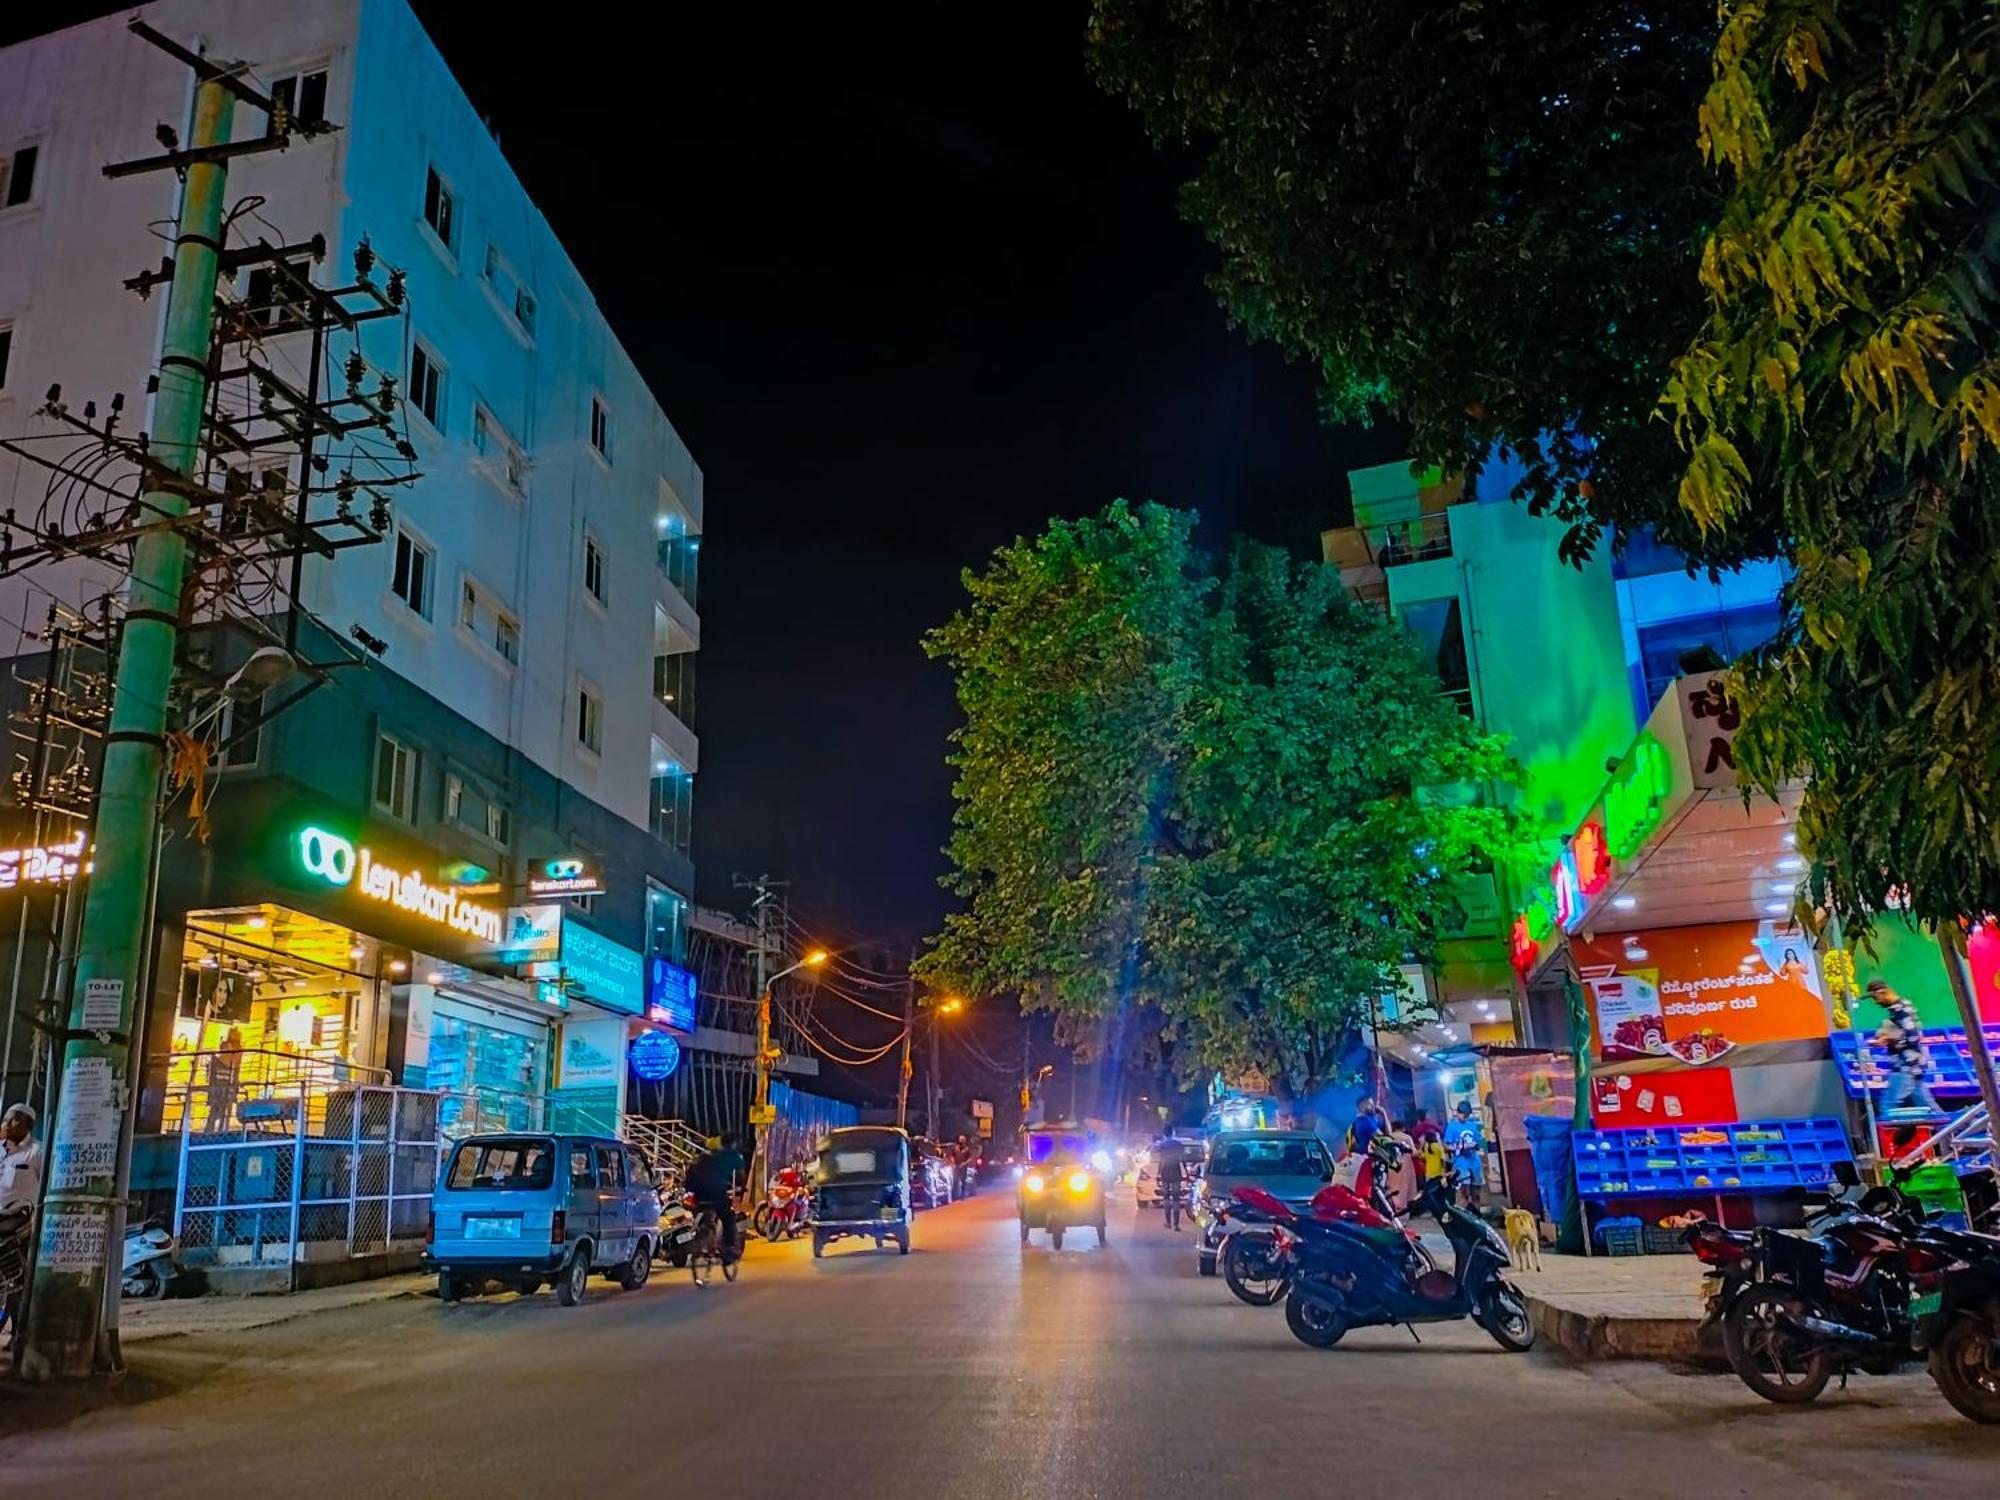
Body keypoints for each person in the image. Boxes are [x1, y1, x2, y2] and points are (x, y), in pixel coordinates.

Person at [0, 1103, 43, 1338]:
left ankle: (19, 1331)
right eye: (5, 1120)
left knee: (17, 1276)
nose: (5, 1124)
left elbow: (45, 1187)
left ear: (24, 1124)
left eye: (10, 1120)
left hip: (19, 1220)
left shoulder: (36, 1152)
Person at [1866, 979, 1937, 1116]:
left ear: (1883, 992)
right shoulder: (1900, 1007)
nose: (1876, 1002)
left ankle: (1889, 1135)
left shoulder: (1900, 1010)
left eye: (1876, 997)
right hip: (1912, 1064)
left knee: (1887, 1104)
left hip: (1906, 1065)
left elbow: (1913, 1037)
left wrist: (1888, 1040)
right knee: (1926, 1104)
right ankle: (1948, 1129)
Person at [684, 1131, 748, 1263]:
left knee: (702, 1211)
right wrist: (741, 1189)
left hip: (699, 1193)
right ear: (735, 1143)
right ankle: (729, 1247)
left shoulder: (711, 1156)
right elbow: (741, 1177)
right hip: (717, 1192)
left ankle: (701, 1236)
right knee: (728, 1217)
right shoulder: (736, 1156)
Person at [1448, 1100, 1486, 1212]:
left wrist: (1475, 1145)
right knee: (1463, 1190)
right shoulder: (1452, 1126)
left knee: (1476, 1190)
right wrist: (1459, 1147)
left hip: (1474, 1161)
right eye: (1462, 1115)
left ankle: (1476, 1213)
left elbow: (1478, 1141)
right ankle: (1463, 1215)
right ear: (1458, 1113)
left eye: (1467, 1115)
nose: (1464, 1117)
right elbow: (1446, 1145)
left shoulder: (1472, 1125)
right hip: (1460, 1162)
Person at [1156, 1144, 1187, 1230]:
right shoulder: (1178, 1145)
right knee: (1176, 1199)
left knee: (1166, 1198)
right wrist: (1186, 1172)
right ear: (1172, 1133)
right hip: (1176, 1175)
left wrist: (1158, 1174)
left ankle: (1168, 1223)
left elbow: (1161, 1162)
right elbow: (1183, 1160)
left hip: (1165, 1175)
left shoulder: (1163, 1146)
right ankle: (1176, 1224)